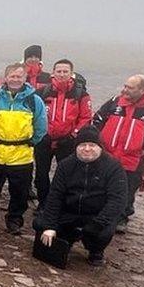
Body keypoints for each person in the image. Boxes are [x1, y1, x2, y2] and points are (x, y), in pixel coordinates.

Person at [34, 126, 127, 266]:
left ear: (100, 147)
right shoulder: (66, 165)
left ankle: (95, 251)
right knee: (40, 224)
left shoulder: (113, 168)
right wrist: (50, 226)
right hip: (69, 212)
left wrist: (97, 223)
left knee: (102, 232)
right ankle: (67, 237)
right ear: (76, 147)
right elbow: (55, 196)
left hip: (95, 215)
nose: (87, 149)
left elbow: (117, 201)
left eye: (92, 145)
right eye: (82, 145)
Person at [0, 63, 48, 235]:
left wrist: (30, 142)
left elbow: (41, 126)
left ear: (25, 79)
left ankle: (15, 219)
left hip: (21, 154)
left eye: (19, 77)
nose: (15, 80)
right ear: (5, 78)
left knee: (20, 191)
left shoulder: (34, 100)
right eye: (12, 76)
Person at [93, 74, 144, 233]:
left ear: (143, 90)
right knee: (101, 185)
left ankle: (122, 217)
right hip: (107, 154)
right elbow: (97, 119)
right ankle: (99, 214)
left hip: (132, 158)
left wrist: (142, 148)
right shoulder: (114, 102)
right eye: (125, 86)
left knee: (127, 189)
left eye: (130, 88)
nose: (124, 90)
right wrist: (97, 141)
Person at [35, 59, 92, 207]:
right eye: (58, 71)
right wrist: (40, 133)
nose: (61, 74)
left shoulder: (80, 94)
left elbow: (86, 117)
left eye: (65, 71)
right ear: (53, 73)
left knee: (65, 174)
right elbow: (33, 114)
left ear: (71, 74)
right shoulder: (43, 92)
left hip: (67, 141)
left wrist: (73, 135)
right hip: (44, 140)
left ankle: (60, 204)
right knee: (41, 174)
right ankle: (43, 203)